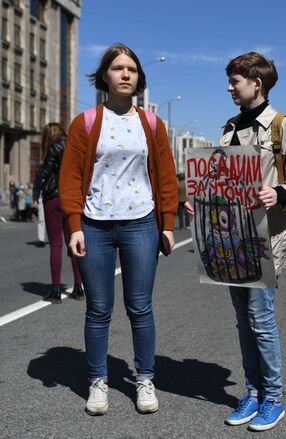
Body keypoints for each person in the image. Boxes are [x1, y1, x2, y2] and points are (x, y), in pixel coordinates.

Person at [186, 52, 286, 431]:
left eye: (234, 80)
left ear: (257, 83)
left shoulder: (281, 126)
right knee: (243, 321)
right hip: (230, 239)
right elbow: (218, 180)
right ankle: (252, 392)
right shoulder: (229, 128)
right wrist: (199, 202)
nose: (228, 87)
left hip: (264, 239)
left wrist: (279, 193)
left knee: (261, 320)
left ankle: (273, 397)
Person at [59, 44, 178, 416]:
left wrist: (168, 223)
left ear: (139, 78)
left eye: (132, 69)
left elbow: (167, 176)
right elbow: (72, 177)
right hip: (94, 225)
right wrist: (74, 225)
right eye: (118, 68)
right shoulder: (87, 122)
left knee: (140, 307)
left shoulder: (152, 124)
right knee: (98, 309)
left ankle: (144, 378)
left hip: (141, 223)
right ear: (105, 76)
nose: (126, 74)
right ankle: (98, 382)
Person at [35, 123, 84, 302]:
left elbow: (45, 172)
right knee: (75, 243)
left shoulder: (53, 148)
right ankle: (78, 288)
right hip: (71, 198)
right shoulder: (73, 146)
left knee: (55, 245)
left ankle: (56, 291)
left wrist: (37, 191)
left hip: (54, 198)